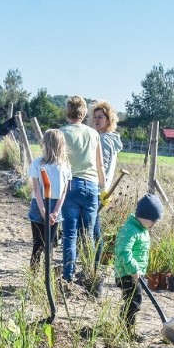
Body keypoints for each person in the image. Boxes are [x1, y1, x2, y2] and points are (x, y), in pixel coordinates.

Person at [59, 96, 105, 282]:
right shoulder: (93, 134)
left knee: (70, 234)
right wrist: (104, 189)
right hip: (91, 186)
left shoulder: (61, 133)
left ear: (67, 112)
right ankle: (88, 274)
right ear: (84, 113)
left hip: (70, 185)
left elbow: (58, 162)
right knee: (89, 235)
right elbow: (100, 165)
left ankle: (68, 276)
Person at [113, 195, 163, 330]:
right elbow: (123, 251)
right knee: (133, 302)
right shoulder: (130, 230)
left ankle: (125, 328)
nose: (154, 225)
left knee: (133, 301)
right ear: (145, 217)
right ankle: (126, 330)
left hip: (135, 273)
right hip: (126, 273)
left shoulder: (142, 229)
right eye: (153, 221)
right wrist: (134, 270)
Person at [27, 129, 71, 269]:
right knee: (45, 245)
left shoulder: (63, 166)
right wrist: (51, 212)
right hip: (46, 207)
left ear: (46, 144)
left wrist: (51, 212)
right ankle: (39, 277)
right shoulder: (40, 164)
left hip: (42, 206)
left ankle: (40, 277)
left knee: (40, 244)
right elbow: (63, 192)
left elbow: (36, 189)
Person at [91, 101, 123, 267]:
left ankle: (95, 264)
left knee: (92, 227)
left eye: (100, 117)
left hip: (97, 188)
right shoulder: (111, 139)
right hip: (104, 189)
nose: (96, 120)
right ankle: (94, 262)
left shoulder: (103, 140)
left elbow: (100, 166)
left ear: (109, 119)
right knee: (93, 225)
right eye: (95, 117)